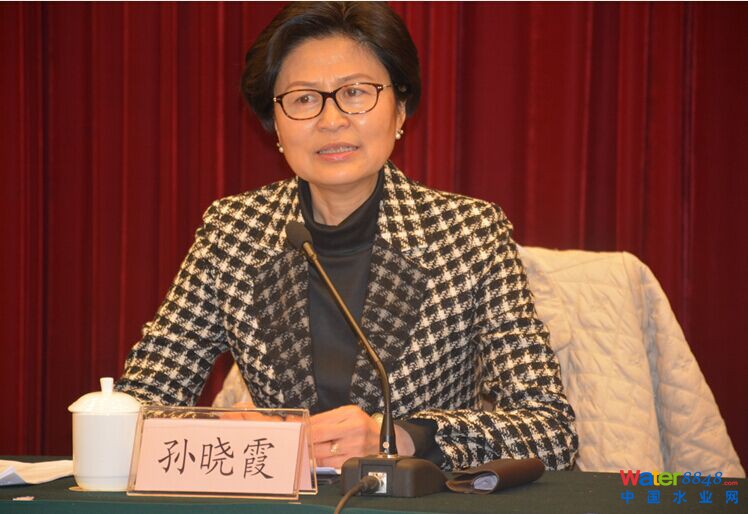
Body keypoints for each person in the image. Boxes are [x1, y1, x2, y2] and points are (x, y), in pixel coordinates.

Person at [115, 1, 578, 472]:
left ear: (400, 109)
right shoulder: (232, 233)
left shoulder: (469, 235)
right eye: (303, 99)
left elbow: (551, 431)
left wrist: (403, 437)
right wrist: (228, 435)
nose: (331, 120)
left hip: (410, 501)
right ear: (275, 125)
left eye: (356, 93)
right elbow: (138, 405)